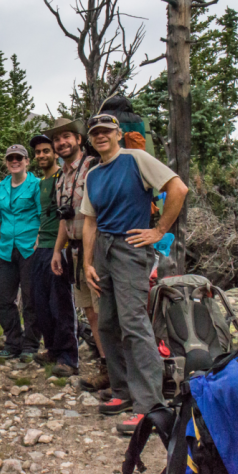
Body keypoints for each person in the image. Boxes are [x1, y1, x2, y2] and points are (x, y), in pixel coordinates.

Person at [81, 113, 189, 434]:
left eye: (106, 131)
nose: (101, 136)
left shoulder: (136, 159)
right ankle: (122, 391)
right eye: (95, 132)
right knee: (109, 321)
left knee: (134, 323)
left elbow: (177, 188)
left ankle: (150, 405)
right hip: (104, 248)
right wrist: (87, 262)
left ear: (117, 134)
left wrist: (159, 230)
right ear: (91, 139)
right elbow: (89, 219)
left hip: (131, 246)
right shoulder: (94, 174)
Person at [45, 117, 109, 390]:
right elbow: (64, 217)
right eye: (57, 139)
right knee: (89, 312)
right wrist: (57, 250)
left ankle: (118, 369)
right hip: (73, 248)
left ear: (79, 139)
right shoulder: (62, 177)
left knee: (103, 309)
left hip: (95, 248)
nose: (61, 142)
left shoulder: (93, 168)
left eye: (66, 137)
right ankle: (106, 366)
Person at [28, 135, 78, 377]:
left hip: (59, 247)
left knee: (60, 304)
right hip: (41, 246)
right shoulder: (40, 183)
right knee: (41, 303)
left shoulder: (61, 179)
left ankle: (68, 357)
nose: (41, 155)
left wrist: (59, 248)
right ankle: (52, 348)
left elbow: (64, 216)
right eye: (37, 152)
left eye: (46, 151)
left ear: (55, 153)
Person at [0, 144, 42, 362]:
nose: (14, 161)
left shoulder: (36, 185)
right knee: (0, 297)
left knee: (31, 299)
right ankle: (13, 341)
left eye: (19, 158)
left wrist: (39, 243)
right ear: (6, 161)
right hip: (4, 250)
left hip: (29, 248)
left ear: (27, 161)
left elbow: (42, 216)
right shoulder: (0, 188)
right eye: (11, 158)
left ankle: (30, 344)